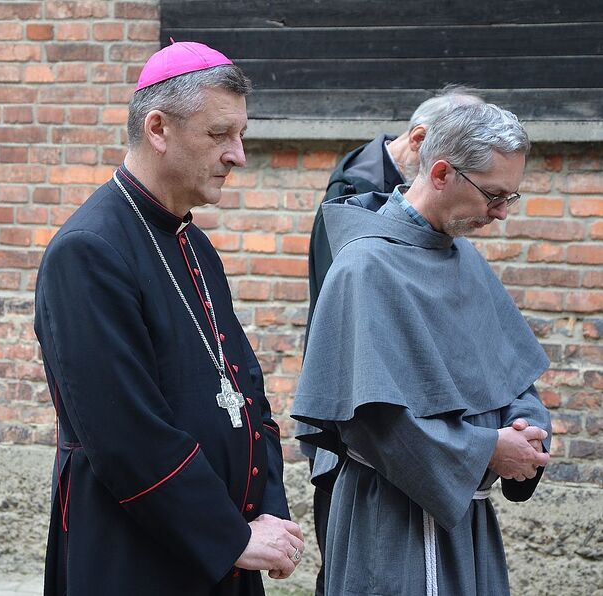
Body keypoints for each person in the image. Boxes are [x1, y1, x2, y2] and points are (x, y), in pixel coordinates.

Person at [34, 41, 304, 595]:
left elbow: (246, 390)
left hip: (224, 542)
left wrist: (267, 513)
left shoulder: (194, 243)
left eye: (241, 135)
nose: (238, 155)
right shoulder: (89, 250)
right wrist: (227, 536)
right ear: (158, 129)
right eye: (219, 135)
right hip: (134, 552)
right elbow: (126, 433)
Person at [292, 102, 552, 595]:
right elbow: (373, 422)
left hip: (466, 520)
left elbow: (515, 377)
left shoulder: (466, 261)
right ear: (440, 173)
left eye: (510, 196)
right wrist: (485, 451)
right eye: (494, 195)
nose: (500, 213)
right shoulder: (363, 267)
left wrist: (529, 429)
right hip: (391, 521)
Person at [302, 85, 483, 595]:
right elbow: (362, 325)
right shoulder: (355, 202)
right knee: (358, 555)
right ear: (422, 141)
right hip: (363, 406)